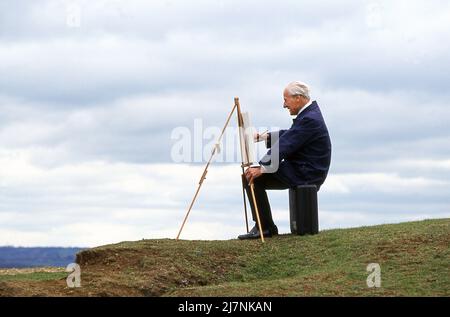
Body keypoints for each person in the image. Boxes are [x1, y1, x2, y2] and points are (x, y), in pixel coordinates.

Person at [238, 81, 332, 240]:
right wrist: (263, 137)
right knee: (252, 176)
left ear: (298, 98)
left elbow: (286, 144)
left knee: (251, 177)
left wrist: (262, 167)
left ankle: (265, 227)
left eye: (286, 99)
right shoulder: (310, 114)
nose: (284, 104)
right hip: (303, 167)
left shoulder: (310, 118)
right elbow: (292, 134)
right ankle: (266, 226)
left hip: (306, 172)